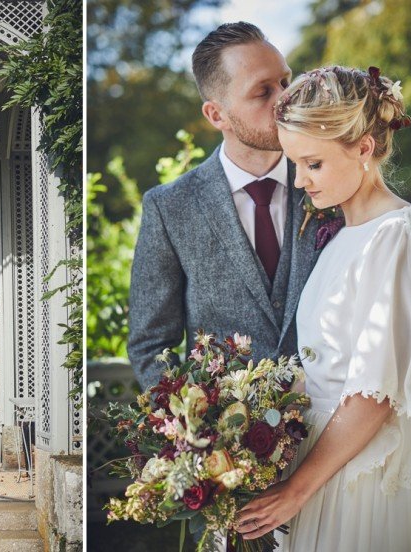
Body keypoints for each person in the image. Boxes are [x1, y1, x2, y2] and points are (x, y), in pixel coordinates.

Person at [236, 66, 411, 551]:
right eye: (293, 164)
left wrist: (295, 491)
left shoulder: (403, 236)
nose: (298, 182)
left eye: (312, 164)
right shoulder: (337, 240)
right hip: (319, 462)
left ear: (363, 149)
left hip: (363, 477)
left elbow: (374, 393)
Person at [128, 22, 319, 390]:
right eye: (263, 92)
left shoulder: (327, 185)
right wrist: (198, 431)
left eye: (285, 81)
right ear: (217, 115)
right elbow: (151, 346)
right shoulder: (170, 208)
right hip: (229, 439)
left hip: (336, 426)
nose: (284, 100)